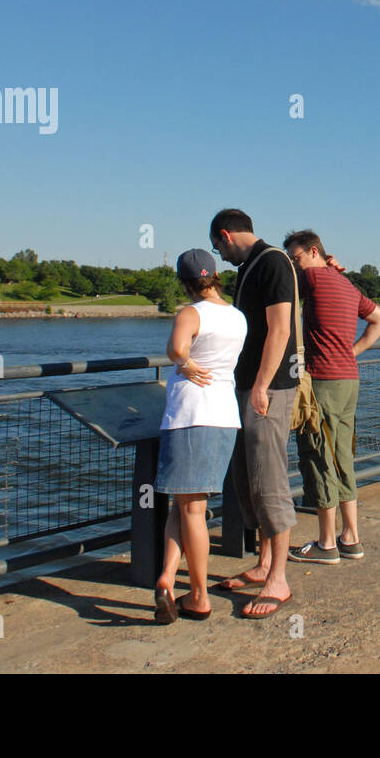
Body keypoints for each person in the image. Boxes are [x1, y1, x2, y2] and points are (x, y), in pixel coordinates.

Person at [202, 208, 297, 619]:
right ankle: (262, 563)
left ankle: (279, 577)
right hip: (247, 388)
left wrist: (260, 386)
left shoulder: (273, 261)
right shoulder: (251, 267)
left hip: (269, 390)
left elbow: (281, 329)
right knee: (246, 478)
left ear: (226, 235)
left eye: (216, 247)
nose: (219, 256)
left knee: (268, 477)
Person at [281, 230, 380, 564]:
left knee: (317, 456)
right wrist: (351, 352)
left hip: (324, 382)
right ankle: (351, 537)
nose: (292, 266)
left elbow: (282, 287)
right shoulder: (345, 284)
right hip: (348, 380)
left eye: (294, 258)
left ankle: (326, 543)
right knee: (343, 455)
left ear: (313, 252)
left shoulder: (311, 279)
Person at [154, 249, 246, 623]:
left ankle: (199, 596)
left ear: (185, 281)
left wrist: (188, 364)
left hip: (191, 415)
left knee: (191, 509)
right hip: (225, 416)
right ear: (216, 277)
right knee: (185, 504)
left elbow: (177, 349)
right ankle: (165, 576)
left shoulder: (190, 313)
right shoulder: (237, 317)